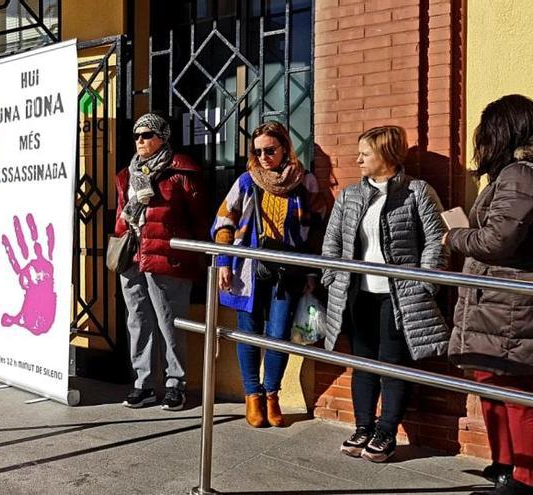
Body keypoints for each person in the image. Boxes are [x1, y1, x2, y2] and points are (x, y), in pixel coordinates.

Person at [321, 125, 449, 463]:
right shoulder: (350, 195)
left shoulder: (417, 192)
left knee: (393, 364)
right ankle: (363, 427)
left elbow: (437, 240)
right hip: (359, 294)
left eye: (365, 153)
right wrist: (332, 278)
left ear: (387, 156)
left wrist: (424, 284)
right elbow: (331, 243)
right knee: (362, 363)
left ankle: (386, 430)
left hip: (398, 297)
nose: (358, 159)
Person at [445, 95, 533, 495]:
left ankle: (524, 478)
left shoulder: (520, 174)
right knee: (490, 383)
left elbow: (499, 239)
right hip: (493, 304)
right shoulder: (507, 175)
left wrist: (455, 236)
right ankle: (503, 464)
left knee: (515, 393)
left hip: (510, 306)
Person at [211, 121, 319, 428]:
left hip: (289, 269)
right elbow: (223, 222)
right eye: (258, 151)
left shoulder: (305, 182)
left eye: (270, 150)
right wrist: (223, 261)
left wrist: (312, 269)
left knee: (279, 335)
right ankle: (252, 396)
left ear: (285, 147)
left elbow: (317, 230)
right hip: (248, 267)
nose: (263, 157)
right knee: (248, 331)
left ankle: (272, 395)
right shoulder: (247, 181)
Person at [114, 113, 208, 411]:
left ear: (162, 137)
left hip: (168, 257)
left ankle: (174, 383)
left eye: (146, 135)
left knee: (170, 322)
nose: (140, 141)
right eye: (137, 136)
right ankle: (143, 383)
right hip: (132, 256)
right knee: (138, 321)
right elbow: (122, 214)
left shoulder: (180, 171)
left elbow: (199, 219)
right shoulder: (127, 174)